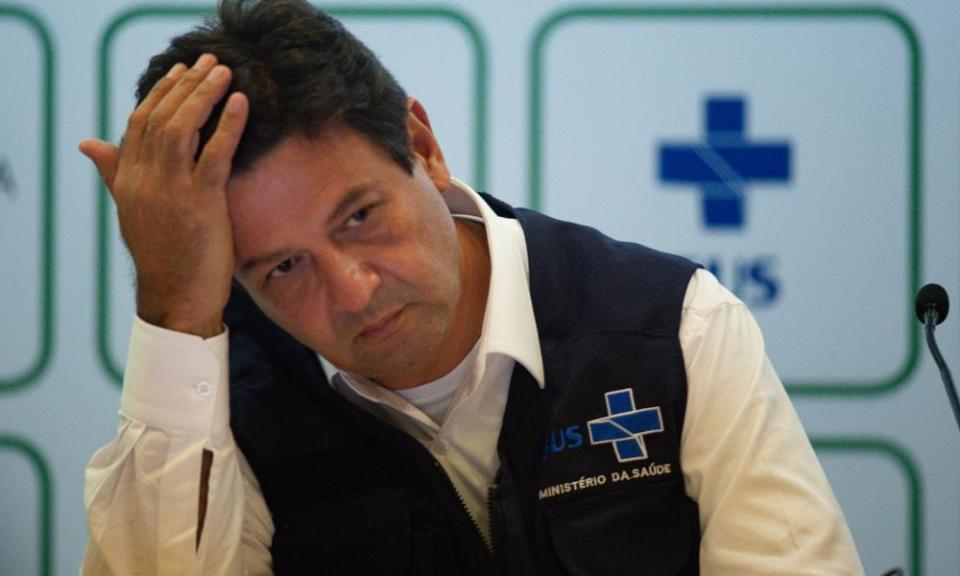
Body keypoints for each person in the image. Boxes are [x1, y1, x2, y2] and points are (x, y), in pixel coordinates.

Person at [80, 0, 863, 574]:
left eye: (357, 217)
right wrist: (176, 309)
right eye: (283, 268)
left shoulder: (670, 327)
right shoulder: (222, 403)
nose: (353, 293)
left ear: (422, 147)